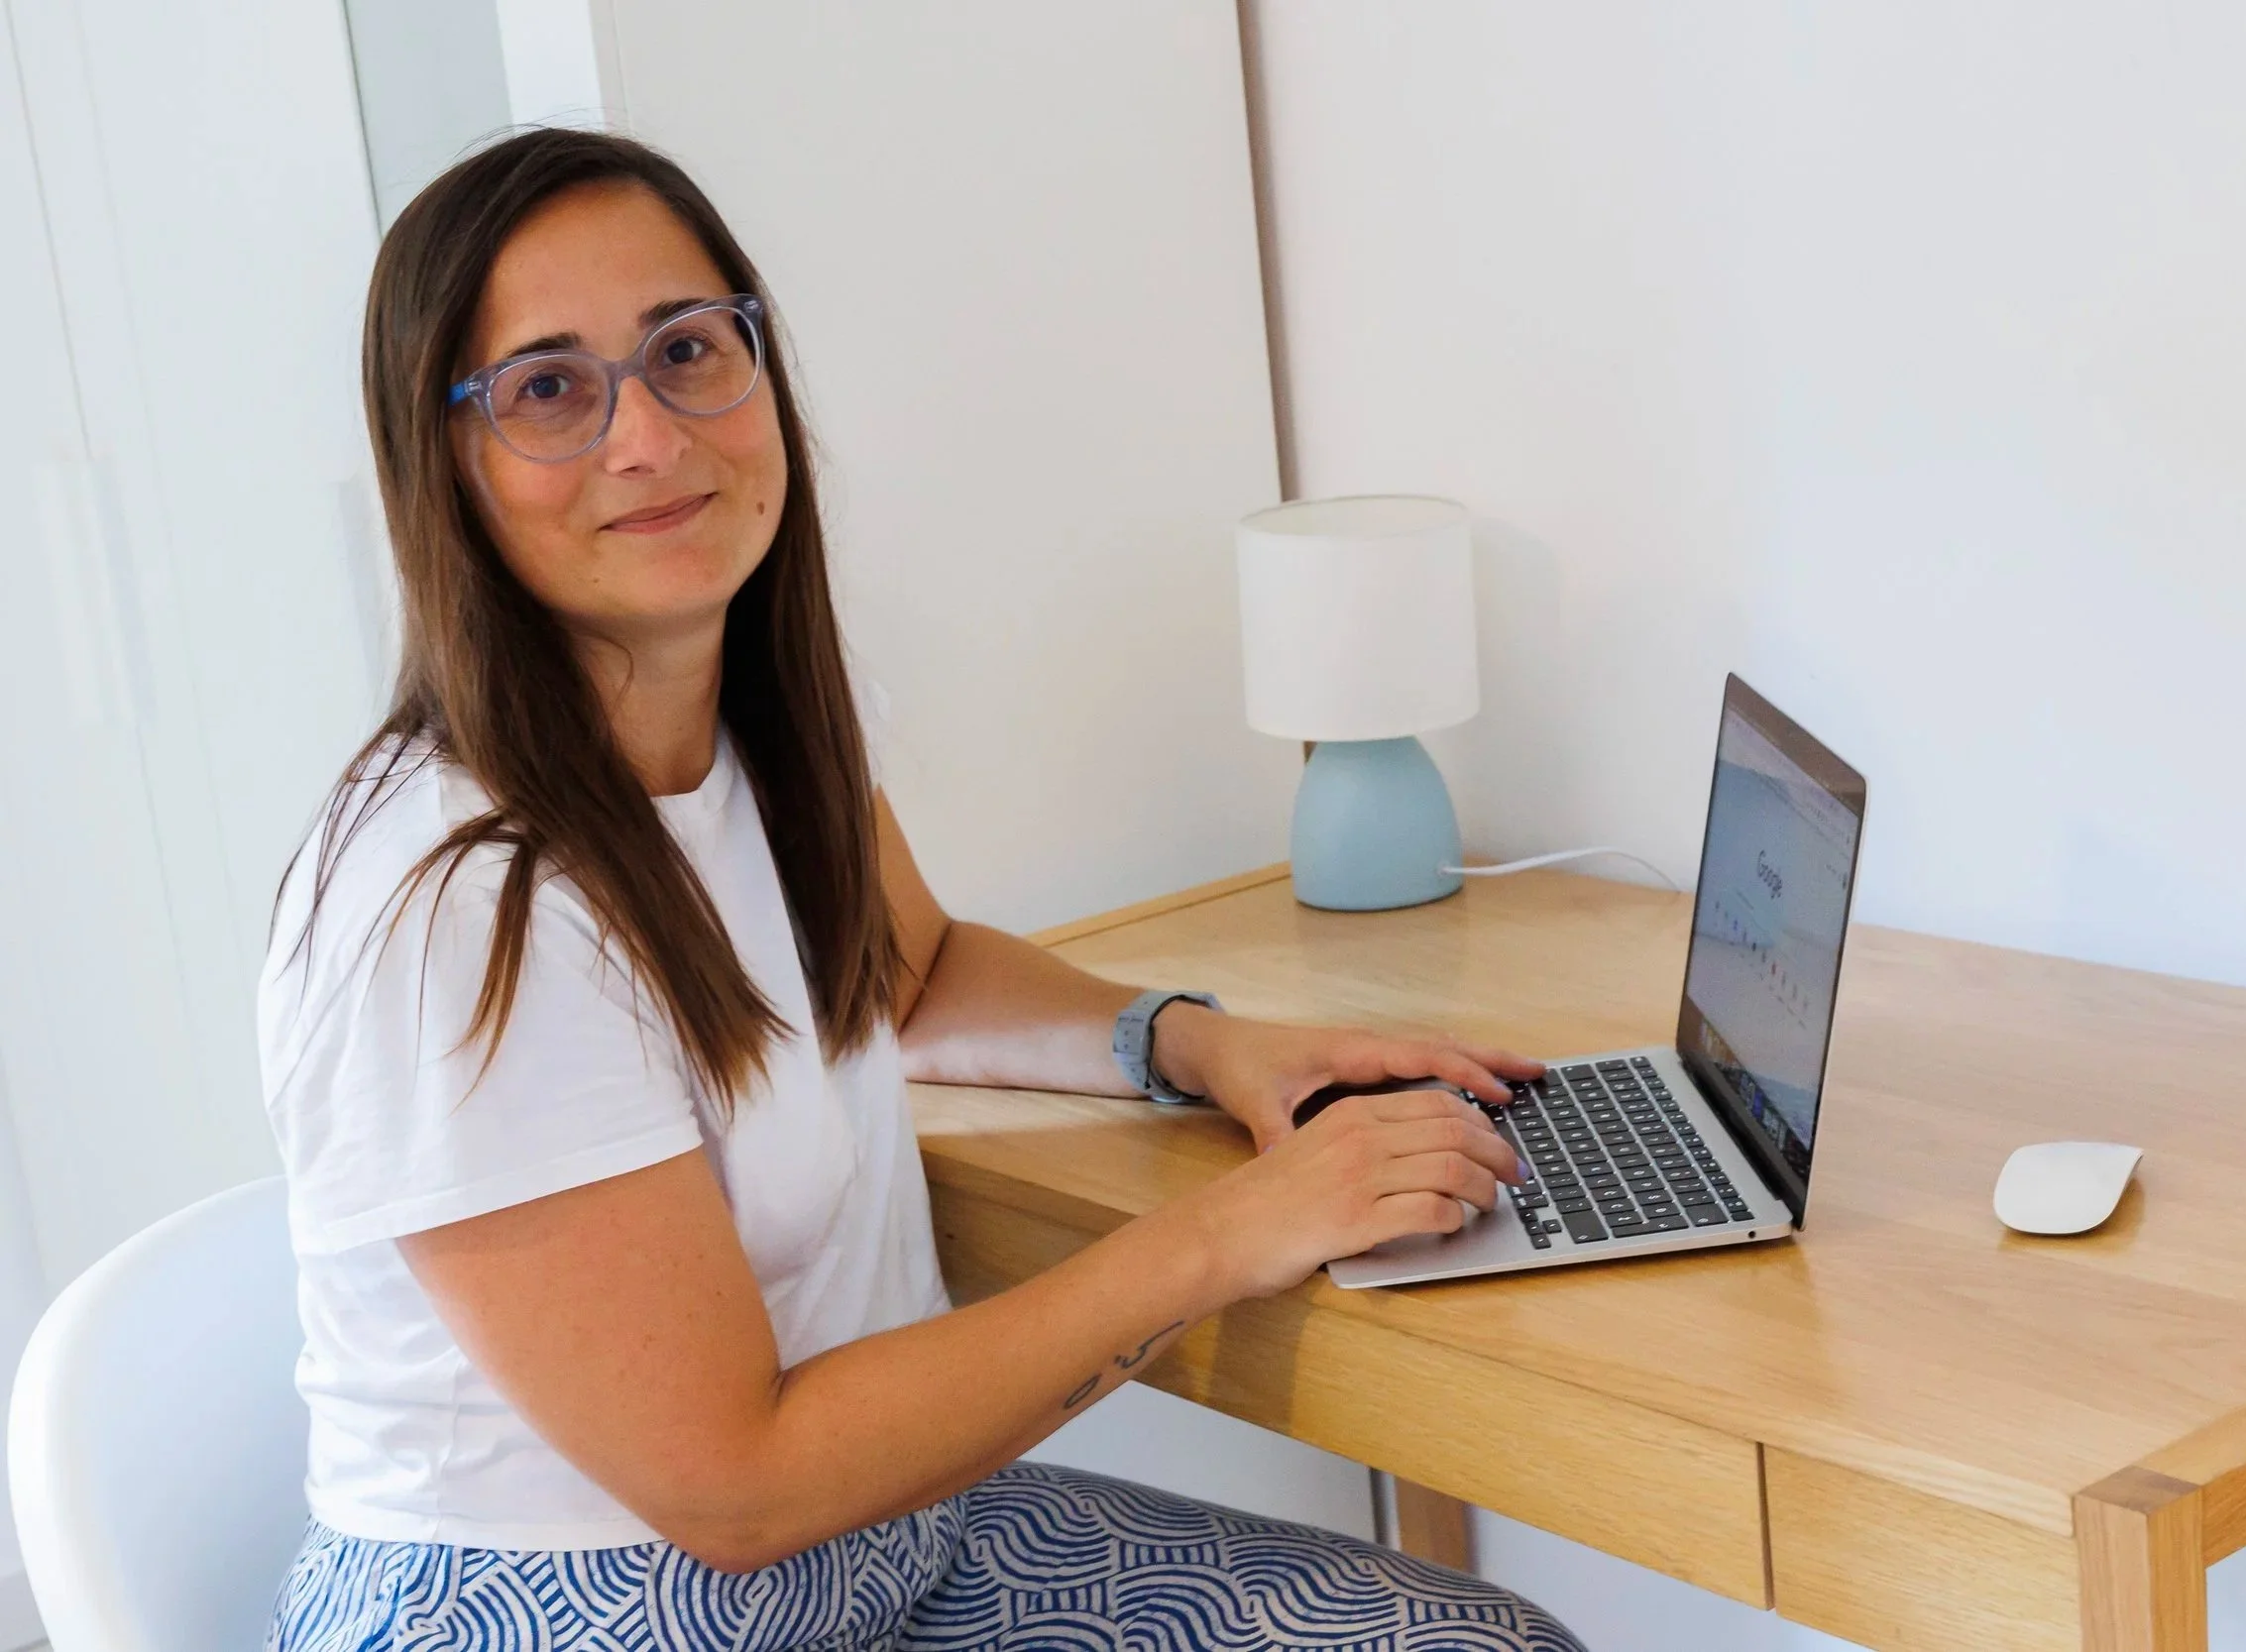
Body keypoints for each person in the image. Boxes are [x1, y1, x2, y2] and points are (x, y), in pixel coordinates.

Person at [260, 127, 1587, 1651]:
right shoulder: (451, 912)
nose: (647, 436)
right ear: (441, 465)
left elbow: (906, 972)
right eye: (549, 389)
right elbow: (736, 1484)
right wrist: (1234, 1229)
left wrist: (1205, 1044)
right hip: (576, 1608)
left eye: (689, 349)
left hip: (874, 1555)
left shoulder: (761, 721)